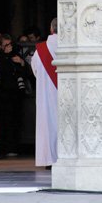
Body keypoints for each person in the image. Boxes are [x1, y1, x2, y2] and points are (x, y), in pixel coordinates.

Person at [31, 17, 58, 168]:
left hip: (45, 94)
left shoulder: (39, 50)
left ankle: (49, 160)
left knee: (47, 125)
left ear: (51, 29)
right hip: (63, 94)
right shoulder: (69, 46)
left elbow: (35, 70)